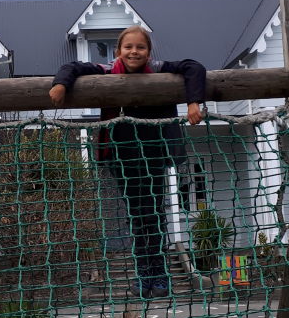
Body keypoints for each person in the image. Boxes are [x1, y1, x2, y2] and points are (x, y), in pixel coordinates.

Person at [49, 25, 205, 299]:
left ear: (149, 52)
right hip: (122, 156)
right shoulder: (107, 71)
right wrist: (60, 84)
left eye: (140, 47)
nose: (134, 52)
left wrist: (193, 102)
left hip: (153, 154)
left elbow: (194, 67)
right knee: (137, 215)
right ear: (118, 51)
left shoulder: (159, 70)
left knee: (153, 213)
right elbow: (72, 67)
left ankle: (159, 274)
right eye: (128, 47)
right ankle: (144, 274)